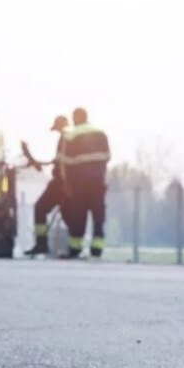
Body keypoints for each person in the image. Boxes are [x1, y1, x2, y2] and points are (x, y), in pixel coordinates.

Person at [58, 107, 110, 258]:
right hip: (98, 182)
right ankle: (97, 249)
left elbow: (64, 162)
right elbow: (106, 156)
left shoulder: (70, 135)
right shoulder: (100, 133)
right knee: (98, 215)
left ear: (75, 118)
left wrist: (66, 183)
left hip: (78, 183)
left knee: (77, 216)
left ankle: (75, 248)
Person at [23, 115, 69, 256]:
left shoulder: (66, 138)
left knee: (40, 208)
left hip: (61, 182)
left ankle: (42, 244)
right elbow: (58, 160)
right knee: (68, 214)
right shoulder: (68, 138)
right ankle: (71, 248)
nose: (57, 131)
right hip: (66, 181)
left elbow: (62, 162)